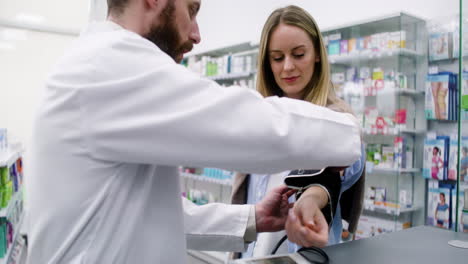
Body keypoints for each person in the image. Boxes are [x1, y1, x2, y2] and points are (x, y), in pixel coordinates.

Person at [26, 0, 361, 263]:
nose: (198, 33)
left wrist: (254, 217)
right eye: (192, 9)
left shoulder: (98, 64)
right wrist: (348, 131)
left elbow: (158, 215)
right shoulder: (109, 66)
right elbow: (239, 123)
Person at [231, 5, 366, 259]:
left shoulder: (339, 118)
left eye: (299, 54)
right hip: (252, 254)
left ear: (316, 53)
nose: (288, 67)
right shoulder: (260, 115)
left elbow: (344, 168)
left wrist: (310, 200)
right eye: (277, 58)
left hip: (305, 256)